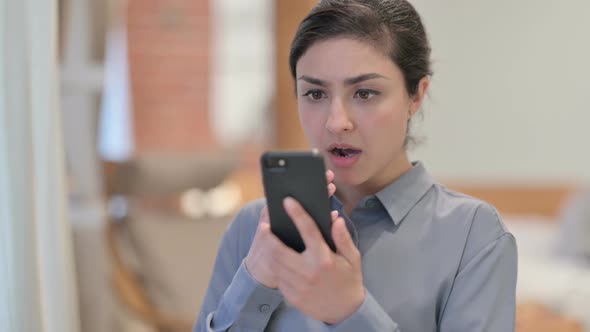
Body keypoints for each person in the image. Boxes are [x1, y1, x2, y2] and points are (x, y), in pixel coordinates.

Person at [194, 0, 517, 331]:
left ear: (415, 96)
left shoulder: (474, 236)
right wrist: (254, 283)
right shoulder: (253, 228)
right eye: (315, 94)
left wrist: (351, 312)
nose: (336, 122)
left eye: (365, 93)